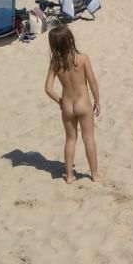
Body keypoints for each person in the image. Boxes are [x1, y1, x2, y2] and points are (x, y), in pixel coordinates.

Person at [44, 26, 101, 184]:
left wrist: (60, 101)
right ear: (70, 40)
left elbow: (48, 89)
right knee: (88, 138)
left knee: (70, 139)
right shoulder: (82, 59)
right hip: (83, 104)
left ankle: (69, 176)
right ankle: (95, 175)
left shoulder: (55, 63)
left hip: (68, 105)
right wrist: (97, 100)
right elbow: (93, 83)